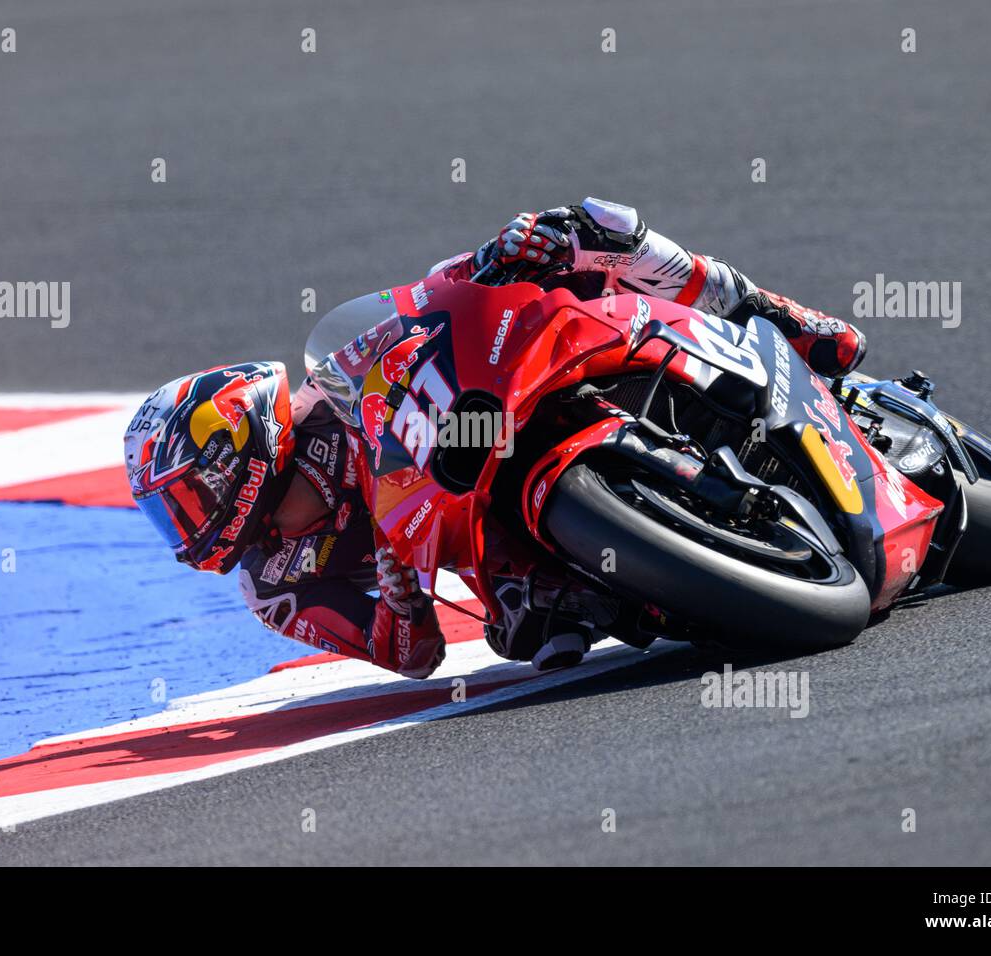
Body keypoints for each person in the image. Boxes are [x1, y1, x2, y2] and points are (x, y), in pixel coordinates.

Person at [124, 198, 867, 679]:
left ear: (233, 445)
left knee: (587, 228)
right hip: (478, 535)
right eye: (172, 514)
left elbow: (419, 309)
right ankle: (693, 566)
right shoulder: (277, 589)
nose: (187, 525)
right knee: (534, 627)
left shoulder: (328, 390)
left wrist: (491, 260)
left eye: (185, 499)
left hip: (487, 415)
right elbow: (410, 655)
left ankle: (769, 314)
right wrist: (397, 583)